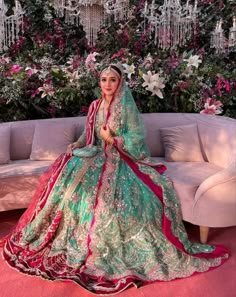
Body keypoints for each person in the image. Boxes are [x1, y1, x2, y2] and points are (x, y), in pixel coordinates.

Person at [2, 64, 228, 295]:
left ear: (119, 83)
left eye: (112, 80)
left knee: (124, 197)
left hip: (120, 159)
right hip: (94, 154)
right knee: (67, 173)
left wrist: (112, 139)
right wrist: (78, 144)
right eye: (103, 80)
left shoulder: (126, 109)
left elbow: (136, 138)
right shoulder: (94, 106)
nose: (107, 84)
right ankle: (61, 231)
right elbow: (87, 133)